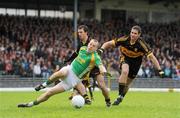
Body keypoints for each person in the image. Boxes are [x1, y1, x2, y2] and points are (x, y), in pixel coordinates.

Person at [17, 39, 106, 108]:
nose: (90, 46)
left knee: (49, 93)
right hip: (69, 70)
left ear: (96, 49)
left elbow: (101, 66)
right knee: (64, 71)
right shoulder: (82, 48)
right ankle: (43, 85)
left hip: (73, 81)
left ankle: (29, 104)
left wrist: (103, 71)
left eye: (93, 46)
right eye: (90, 44)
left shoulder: (95, 57)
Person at [98, 25, 165, 105]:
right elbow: (108, 43)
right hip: (125, 58)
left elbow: (152, 57)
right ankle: (119, 95)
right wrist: (101, 49)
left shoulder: (142, 45)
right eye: (132, 33)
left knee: (127, 84)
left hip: (136, 63)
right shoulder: (124, 39)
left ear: (139, 35)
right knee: (125, 71)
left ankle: (122, 96)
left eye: (135, 33)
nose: (133, 35)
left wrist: (159, 70)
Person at [64, 25, 111, 106]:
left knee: (102, 86)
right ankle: (83, 100)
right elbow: (76, 53)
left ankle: (108, 100)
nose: (79, 34)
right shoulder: (80, 43)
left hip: (95, 67)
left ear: (86, 33)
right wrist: (68, 59)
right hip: (85, 68)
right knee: (78, 84)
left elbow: (97, 56)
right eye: (78, 32)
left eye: (81, 32)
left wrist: (103, 70)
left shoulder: (91, 42)